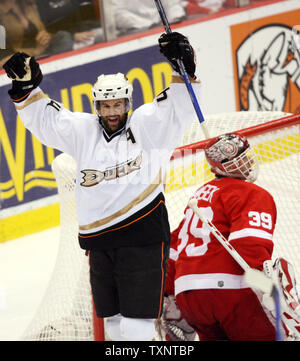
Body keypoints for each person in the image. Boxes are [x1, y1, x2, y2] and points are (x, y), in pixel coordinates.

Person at [3, 32, 200, 341]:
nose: (111, 112)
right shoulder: (83, 131)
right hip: (99, 242)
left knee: (137, 325)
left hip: (143, 235)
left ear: (128, 102)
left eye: (118, 104)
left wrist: (183, 65)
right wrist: (27, 87)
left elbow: (179, 107)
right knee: (113, 324)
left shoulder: (147, 125)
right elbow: (46, 121)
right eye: (105, 105)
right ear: (96, 104)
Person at [163, 133, 280, 341]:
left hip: (189, 297)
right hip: (230, 293)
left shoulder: (198, 196)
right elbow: (249, 249)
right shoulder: (252, 193)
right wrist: (266, 287)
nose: (248, 163)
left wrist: (167, 293)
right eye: (240, 160)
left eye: (246, 157)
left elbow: (173, 248)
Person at [113, 0, 186, 36]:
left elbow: (173, 6)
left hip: (166, 25)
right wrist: (151, 26)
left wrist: (173, 21)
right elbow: (117, 13)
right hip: (136, 32)